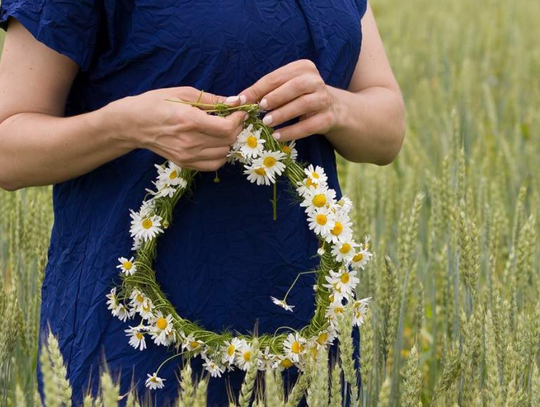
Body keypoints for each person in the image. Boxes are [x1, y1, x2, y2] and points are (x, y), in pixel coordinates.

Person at [0, 0, 405, 405]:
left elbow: (387, 130)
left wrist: (336, 106)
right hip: (138, 340)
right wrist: (123, 125)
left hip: (310, 338)